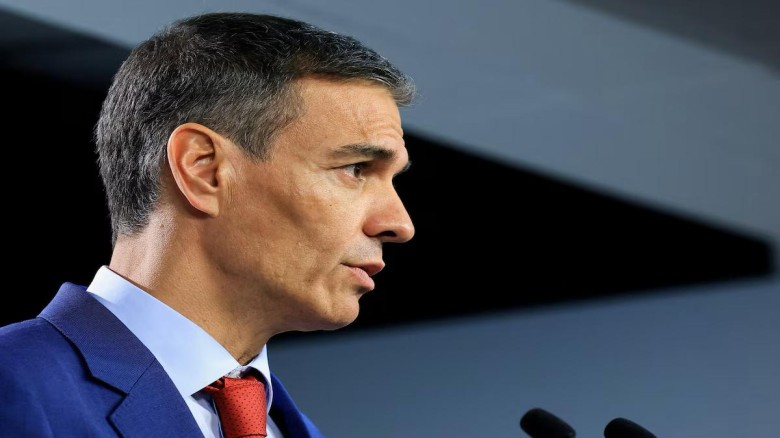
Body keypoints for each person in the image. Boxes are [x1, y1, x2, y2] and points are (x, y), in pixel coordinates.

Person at [0, 11, 416, 438]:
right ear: (204, 169)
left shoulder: (294, 428)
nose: (400, 224)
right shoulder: (13, 384)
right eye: (355, 168)